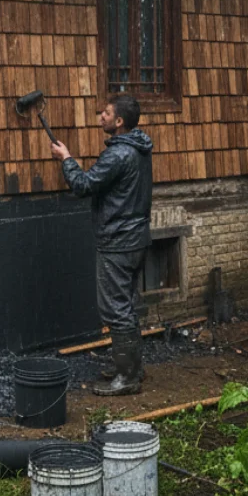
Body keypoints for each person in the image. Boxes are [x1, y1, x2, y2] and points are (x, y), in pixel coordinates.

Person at [50, 94, 153, 396]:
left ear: (119, 122)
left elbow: (83, 185)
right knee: (127, 305)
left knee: (115, 309)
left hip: (117, 242)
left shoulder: (118, 155)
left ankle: (127, 379)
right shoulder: (139, 148)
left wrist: (66, 159)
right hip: (137, 238)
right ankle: (132, 368)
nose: (101, 116)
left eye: (106, 113)